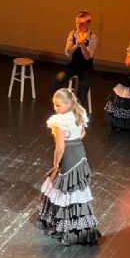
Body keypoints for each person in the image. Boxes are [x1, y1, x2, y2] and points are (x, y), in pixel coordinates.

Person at [37, 88, 100, 245]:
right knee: (77, 187)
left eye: (58, 105)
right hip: (80, 154)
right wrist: (74, 139)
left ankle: (65, 227)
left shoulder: (59, 121)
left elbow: (60, 147)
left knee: (64, 189)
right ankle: (82, 226)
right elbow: (82, 134)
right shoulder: (78, 113)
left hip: (68, 156)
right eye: (54, 105)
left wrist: (56, 162)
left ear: (68, 103)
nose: (55, 108)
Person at [53, 11, 99, 104]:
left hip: (86, 67)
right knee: (58, 79)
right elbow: (68, 52)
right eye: (77, 23)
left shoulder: (93, 37)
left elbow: (87, 57)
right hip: (74, 65)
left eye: (81, 24)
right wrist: (76, 45)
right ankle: (64, 103)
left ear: (88, 23)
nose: (78, 26)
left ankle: (77, 108)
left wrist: (82, 44)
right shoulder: (72, 34)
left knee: (83, 87)